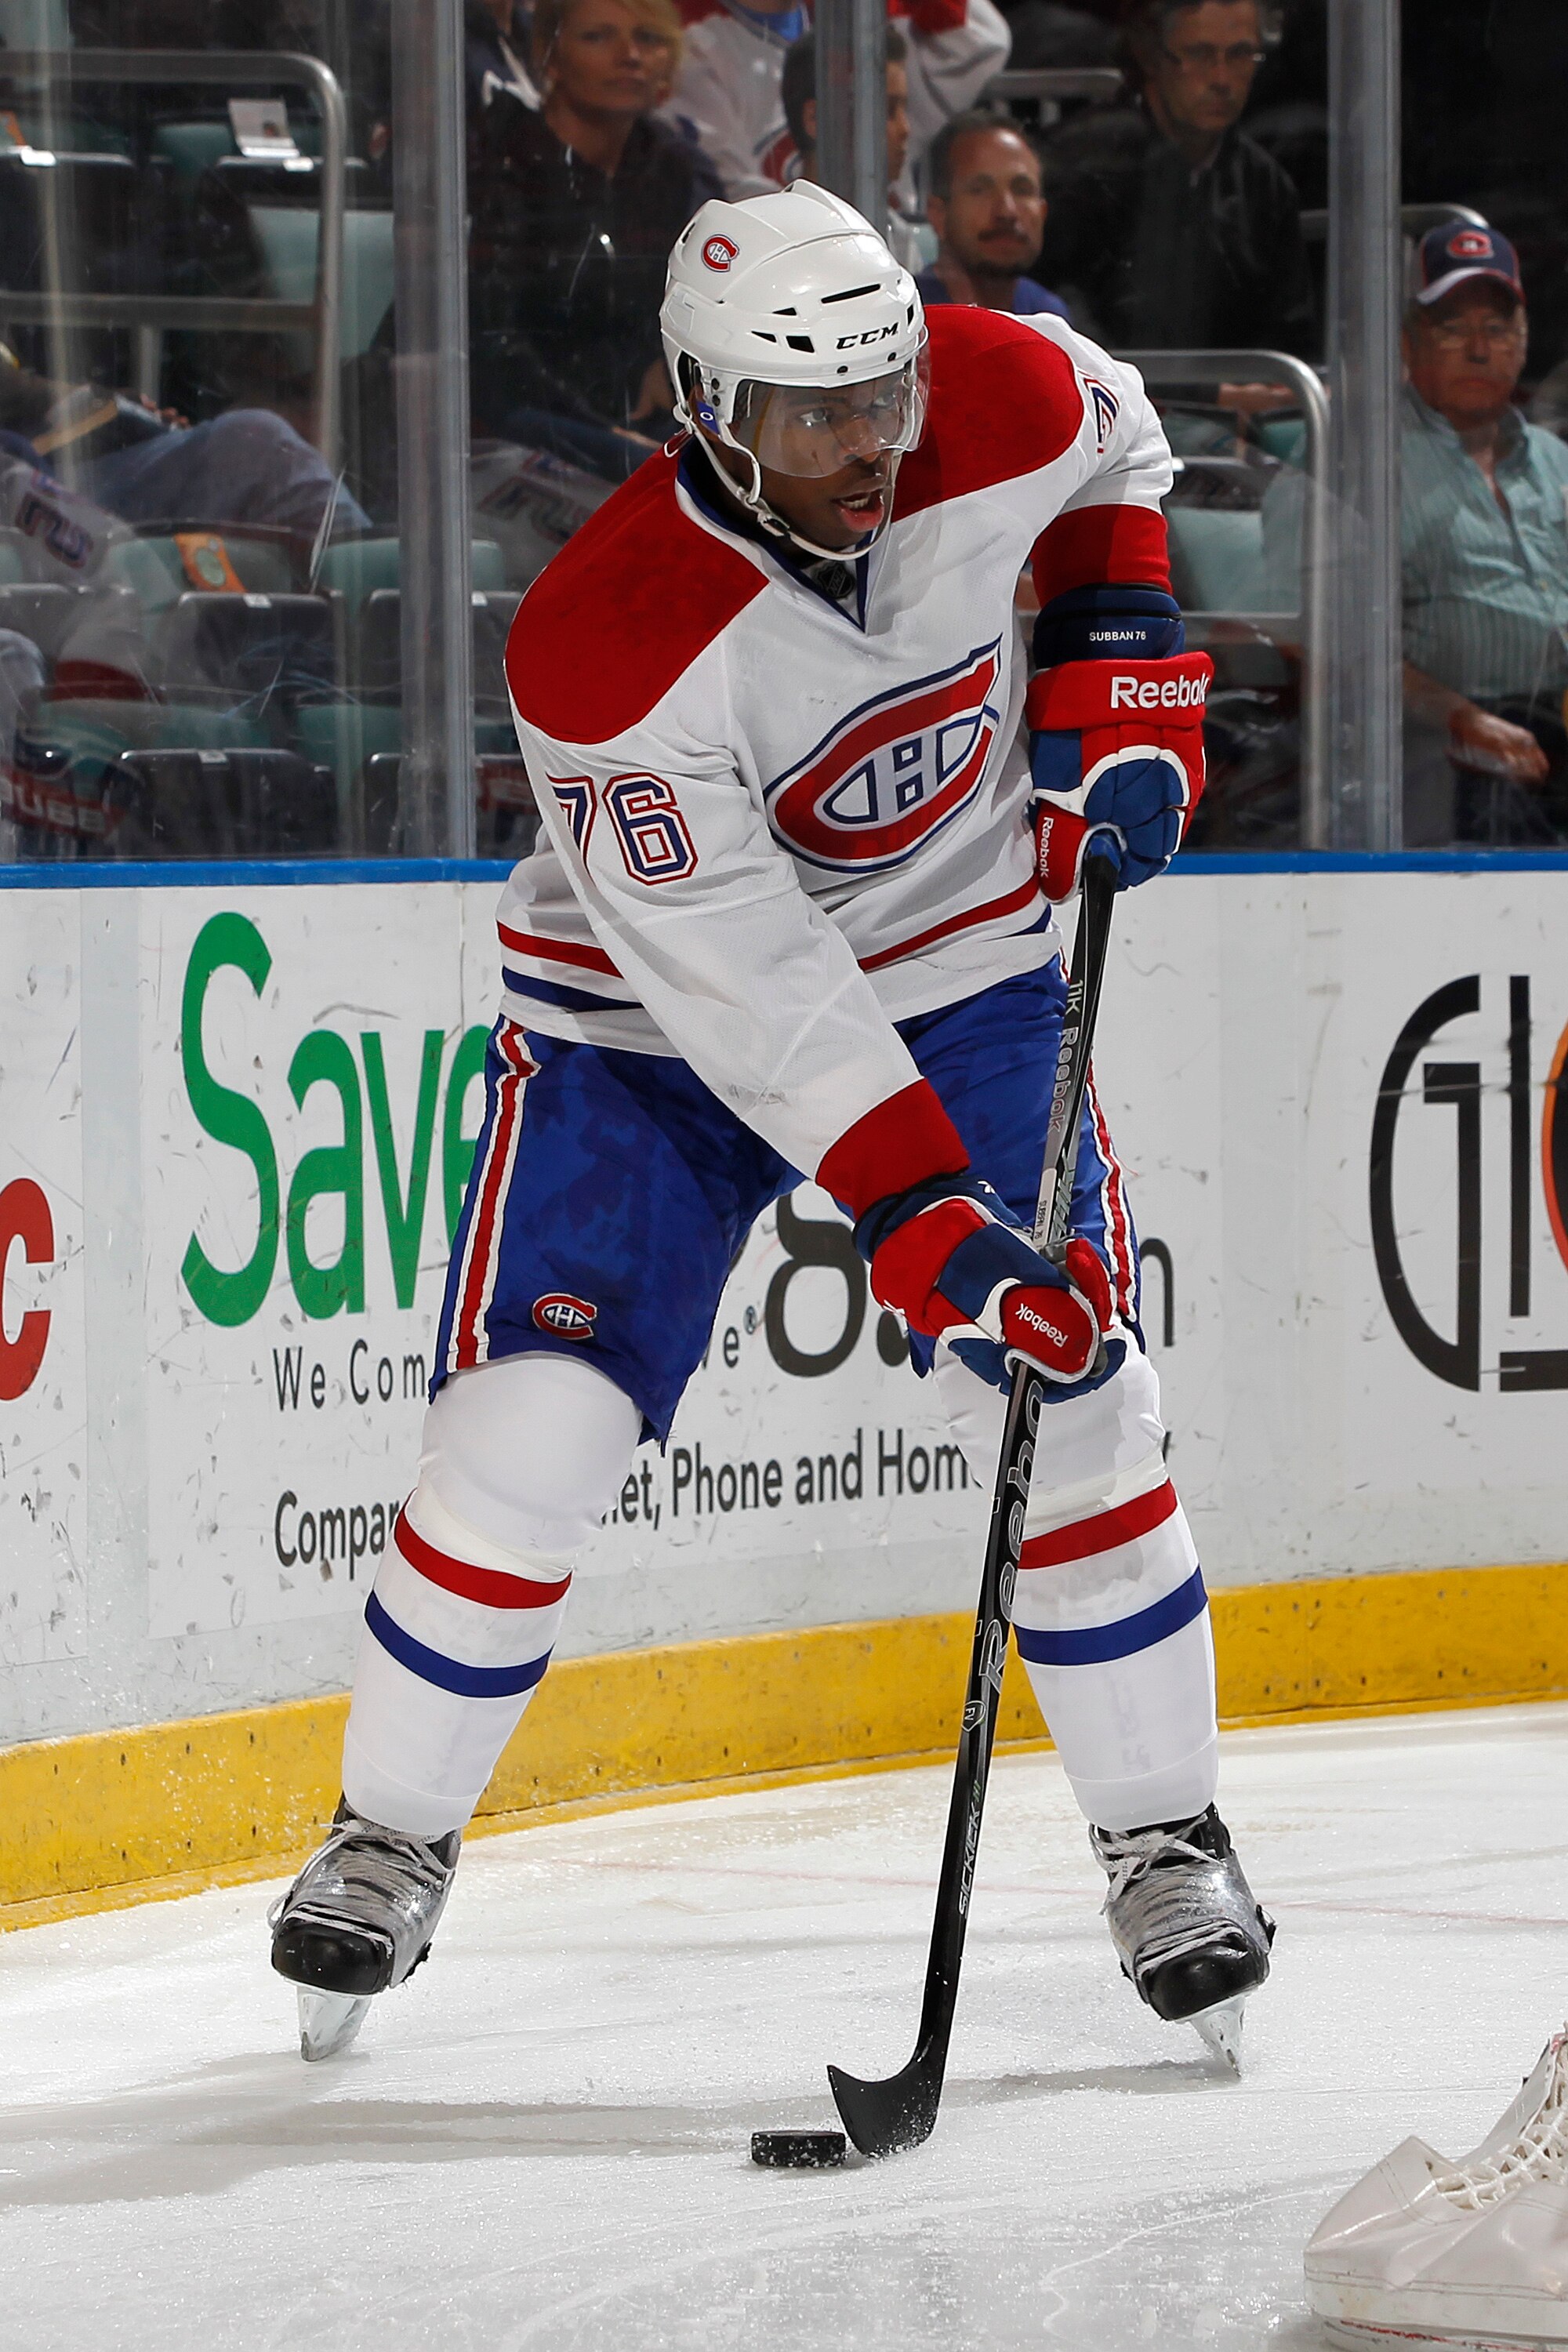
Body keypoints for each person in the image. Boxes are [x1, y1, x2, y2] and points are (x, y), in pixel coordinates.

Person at [268, 180, 1275, 2071]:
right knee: (526, 1437)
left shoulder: (978, 390)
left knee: (1078, 1390)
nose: (866, 450)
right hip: (637, 1029)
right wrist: (924, 1226)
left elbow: (1110, 428)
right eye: (811, 419)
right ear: (701, 411)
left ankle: (1166, 1835)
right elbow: (749, 989)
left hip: (962, 965)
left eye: (878, 399)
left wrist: (1117, 650)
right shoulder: (604, 643)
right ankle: (386, 1833)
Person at [468, 0, 723, 482]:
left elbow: (709, 298)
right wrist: (600, 429)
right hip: (520, 422)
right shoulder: (505, 162)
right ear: (549, 56)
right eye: (598, 37)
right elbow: (494, 352)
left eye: (648, 39)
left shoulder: (675, 166)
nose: (629, 55)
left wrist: (662, 360)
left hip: (640, 417)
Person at [1399, 223, 1568, 844]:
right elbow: (1332, 648)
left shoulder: (1555, 459)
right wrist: (1461, 718)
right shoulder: (1362, 465)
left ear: (1524, 345)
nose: (1478, 349)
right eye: (1452, 328)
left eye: (1497, 329)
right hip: (1440, 742)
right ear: (1408, 344)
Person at [1035, 0, 1315, 363]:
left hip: (1244, 409)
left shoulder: (1265, 185)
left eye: (1241, 54)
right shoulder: (1079, 165)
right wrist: (1208, 394)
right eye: (1199, 54)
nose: (1221, 78)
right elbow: (1058, 325)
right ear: (1150, 55)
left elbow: (1292, 338)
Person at [661, 0, 1009, 205]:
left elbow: (981, 37)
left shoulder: (862, 19)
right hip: (776, 280)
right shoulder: (690, 44)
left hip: (895, 259)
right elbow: (731, 197)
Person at [0, 354, 370, 542]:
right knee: (256, 444)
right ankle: (379, 607)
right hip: (27, 479)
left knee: (257, 444)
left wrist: (108, 410)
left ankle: (372, 595)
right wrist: (97, 401)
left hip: (58, 458)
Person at [773, 26, 924, 269]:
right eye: (886, 109)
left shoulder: (900, 241)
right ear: (816, 118)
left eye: (904, 109)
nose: (905, 129)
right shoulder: (768, 236)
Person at [918, 110, 1069, 316]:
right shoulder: (907, 319)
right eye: (980, 190)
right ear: (938, 214)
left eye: (1022, 190)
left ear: (1043, 213)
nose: (1006, 211)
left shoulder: (1048, 315)